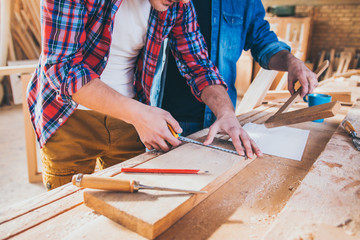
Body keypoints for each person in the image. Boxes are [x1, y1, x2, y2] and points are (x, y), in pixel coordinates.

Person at [27, 0, 263, 190]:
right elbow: (63, 68)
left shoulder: (178, 4)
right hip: (68, 117)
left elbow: (199, 65)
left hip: (130, 120)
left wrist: (226, 112)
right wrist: (140, 114)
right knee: (67, 211)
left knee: (125, 208)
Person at [160, 0, 318, 138]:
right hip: (164, 116)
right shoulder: (162, 6)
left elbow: (199, 66)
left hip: (221, 118)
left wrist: (290, 61)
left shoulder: (184, 12)